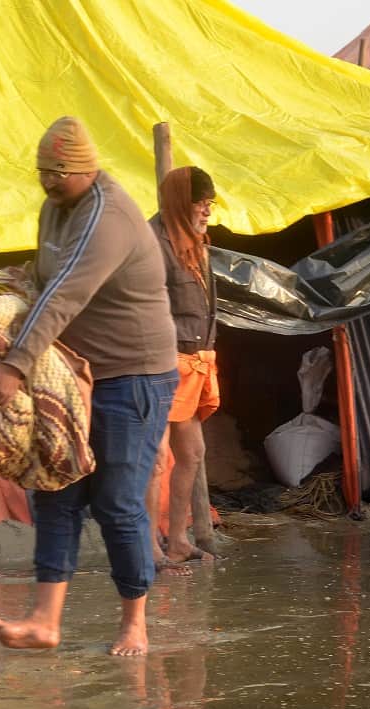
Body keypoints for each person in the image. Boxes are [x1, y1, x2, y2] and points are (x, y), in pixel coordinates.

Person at [0, 116, 179, 656]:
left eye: (57, 173)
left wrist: (16, 364)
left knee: (117, 500)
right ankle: (45, 621)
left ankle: (135, 622)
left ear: (84, 170)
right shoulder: (55, 207)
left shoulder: (107, 215)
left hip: (133, 376)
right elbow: (46, 277)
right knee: (55, 487)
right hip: (76, 375)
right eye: (42, 172)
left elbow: (66, 294)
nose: (47, 182)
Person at [146, 167, 221, 570]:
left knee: (191, 453)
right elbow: (146, 308)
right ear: (180, 203)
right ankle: (148, 547)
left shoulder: (197, 242)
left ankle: (177, 540)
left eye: (210, 204)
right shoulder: (151, 243)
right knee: (155, 458)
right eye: (201, 203)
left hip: (195, 361)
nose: (207, 211)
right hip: (160, 362)